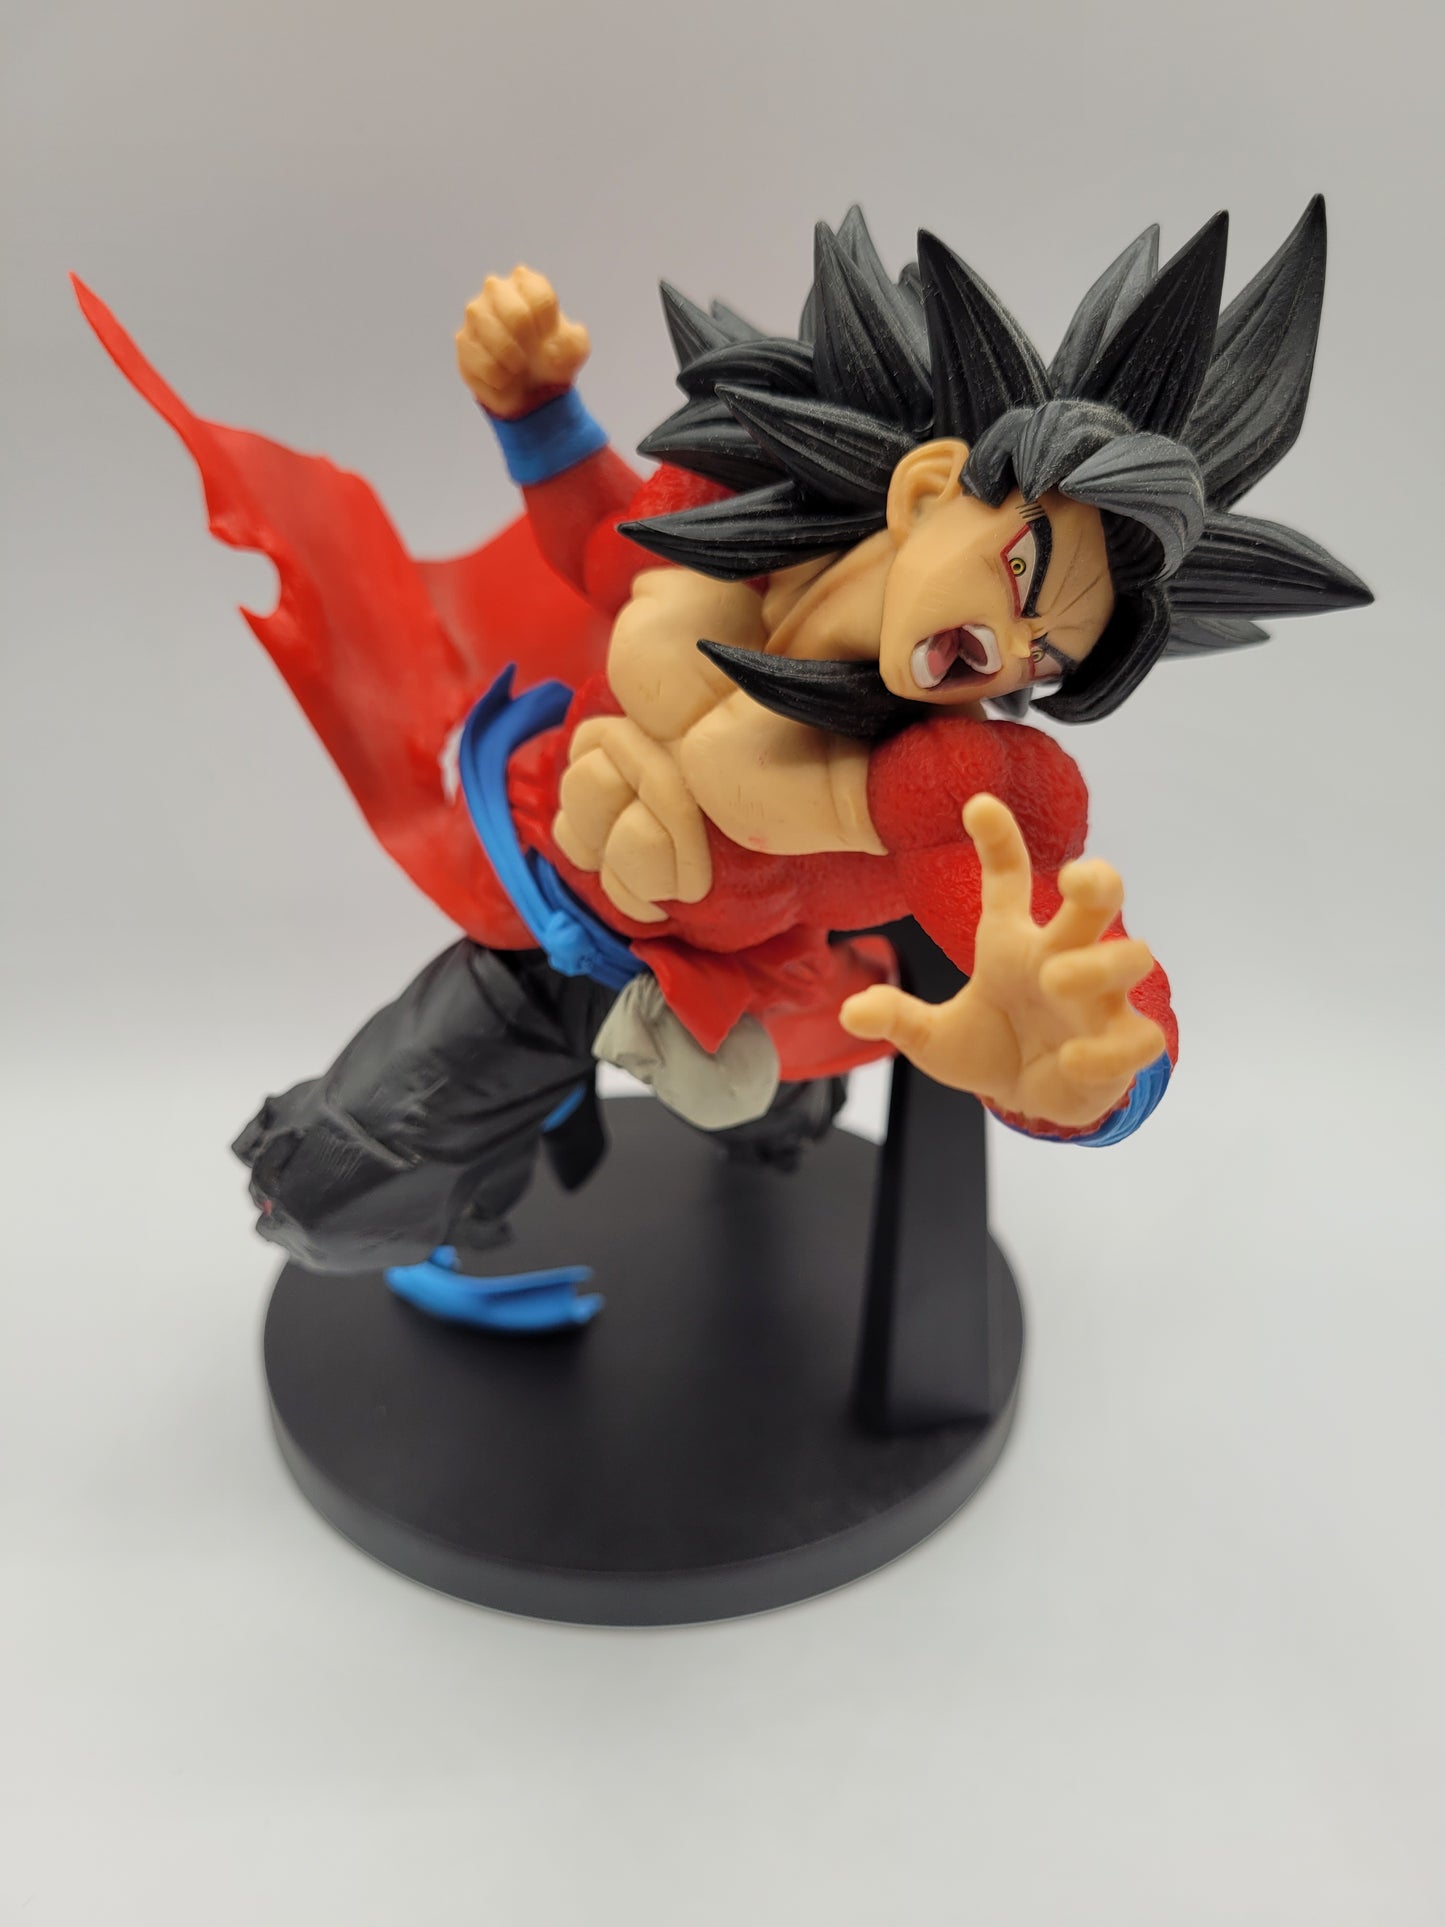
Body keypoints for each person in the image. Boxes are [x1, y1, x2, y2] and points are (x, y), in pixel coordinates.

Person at [75, 202, 1369, 1283]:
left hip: (742, 1001)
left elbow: (1037, 929)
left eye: (1053, 657)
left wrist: (1100, 1077)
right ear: (930, 486)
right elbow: (602, 547)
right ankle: (456, 1243)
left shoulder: (952, 775)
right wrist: (534, 412)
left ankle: (770, 1130)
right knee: (329, 1183)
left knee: (780, 1132)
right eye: (1024, 576)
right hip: (553, 913)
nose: (1014, 651)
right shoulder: (732, 511)